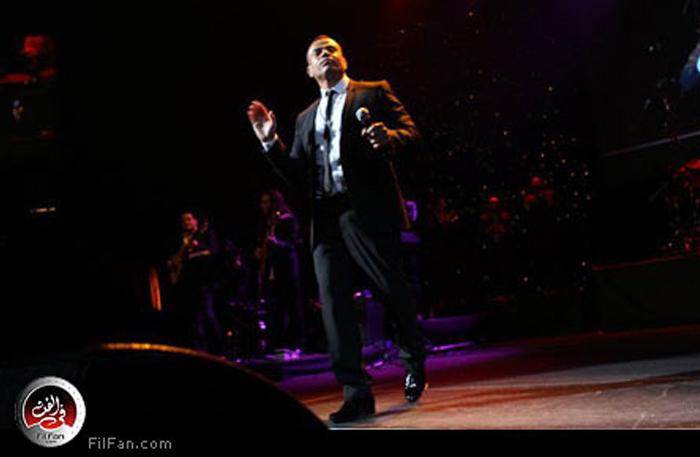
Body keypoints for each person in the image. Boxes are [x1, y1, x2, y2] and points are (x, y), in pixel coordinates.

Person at [246, 35, 426, 423]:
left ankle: (414, 359)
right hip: (326, 219)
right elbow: (297, 174)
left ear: (343, 59)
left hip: (367, 213)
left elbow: (410, 132)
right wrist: (270, 142)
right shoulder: (304, 118)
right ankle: (356, 394)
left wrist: (389, 137)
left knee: (391, 291)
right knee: (334, 305)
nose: (326, 54)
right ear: (309, 70)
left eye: (332, 49)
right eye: (318, 53)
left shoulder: (373, 93)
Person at [255, 189, 305, 357]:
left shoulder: (287, 220)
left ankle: (294, 344)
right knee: (274, 309)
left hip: (286, 269)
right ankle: (275, 345)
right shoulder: (268, 224)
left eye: (266, 202)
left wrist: (276, 243)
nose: (263, 206)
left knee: (290, 307)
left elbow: (293, 243)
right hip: (272, 271)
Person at [167, 211, 224, 355]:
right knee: (193, 319)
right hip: (188, 284)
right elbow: (175, 258)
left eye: (189, 219)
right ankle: (199, 351)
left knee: (208, 315)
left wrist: (197, 246)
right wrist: (172, 262)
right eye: (183, 220)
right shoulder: (180, 239)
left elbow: (213, 252)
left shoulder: (205, 234)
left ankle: (220, 350)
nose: (186, 223)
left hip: (204, 283)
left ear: (195, 221)